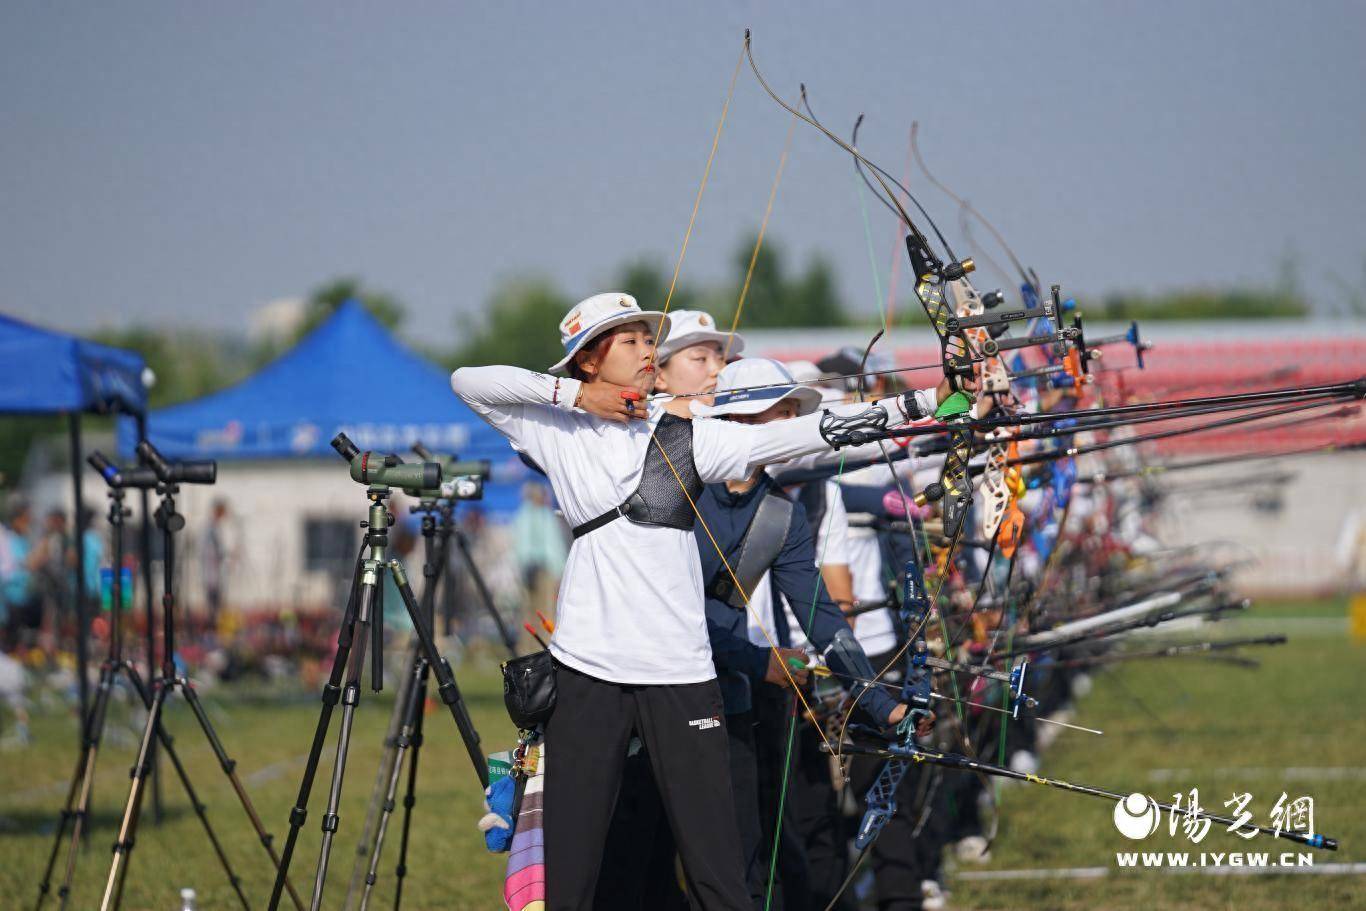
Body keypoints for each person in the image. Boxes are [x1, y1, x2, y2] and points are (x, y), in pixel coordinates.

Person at [451, 292, 946, 910]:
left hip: (681, 674)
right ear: (588, 360)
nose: (646, 351)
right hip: (588, 671)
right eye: (628, 341)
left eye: (647, 340)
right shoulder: (556, 429)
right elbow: (468, 380)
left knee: (719, 870)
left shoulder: (688, 436)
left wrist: (927, 402)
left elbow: (800, 433)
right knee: (575, 868)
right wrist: (578, 399)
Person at [692, 358, 929, 909]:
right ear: (738, 422)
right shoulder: (682, 492)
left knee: (751, 853)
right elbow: (670, 609)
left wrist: (878, 702)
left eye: (790, 417)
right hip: (658, 689)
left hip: (731, 690)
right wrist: (758, 661)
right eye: (777, 417)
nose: (789, 431)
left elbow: (820, 614)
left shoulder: (779, 509)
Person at [510, 482, 568, 633]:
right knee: (532, 612)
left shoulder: (539, 515)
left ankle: (540, 646)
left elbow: (554, 546)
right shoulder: (530, 515)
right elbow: (552, 546)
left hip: (544, 569)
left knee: (542, 612)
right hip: (536, 569)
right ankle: (531, 649)